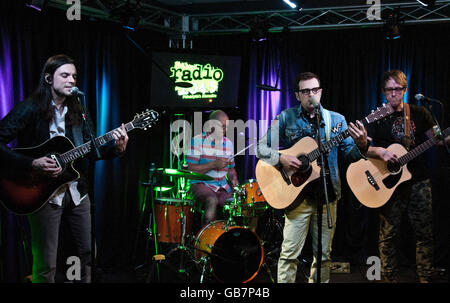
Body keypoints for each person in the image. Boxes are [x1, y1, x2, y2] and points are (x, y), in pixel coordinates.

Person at [0, 54, 128, 282]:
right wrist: (32, 163)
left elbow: (91, 151)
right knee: (46, 262)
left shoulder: (79, 110)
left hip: (77, 191)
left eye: (74, 76)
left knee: (88, 254)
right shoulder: (30, 108)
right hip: (41, 192)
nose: (71, 80)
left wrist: (116, 150)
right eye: (65, 75)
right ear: (49, 78)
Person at [256, 72, 368, 283]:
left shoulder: (336, 120)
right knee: (289, 255)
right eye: (305, 91)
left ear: (321, 92)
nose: (311, 95)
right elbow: (260, 148)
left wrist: (362, 145)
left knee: (324, 257)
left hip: (327, 196)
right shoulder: (286, 117)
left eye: (315, 90)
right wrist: (281, 159)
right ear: (298, 95)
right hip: (297, 197)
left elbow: (350, 155)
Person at [366, 70, 448, 283]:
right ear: (384, 92)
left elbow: (437, 140)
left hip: (418, 180)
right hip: (389, 182)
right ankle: (388, 278)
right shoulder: (377, 116)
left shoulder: (420, 113)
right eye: (388, 90)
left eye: (397, 89)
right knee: (388, 235)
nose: (392, 94)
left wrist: (445, 138)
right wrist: (381, 153)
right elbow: (364, 148)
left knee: (424, 233)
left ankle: (425, 277)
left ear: (404, 90)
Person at [186, 110, 239, 227]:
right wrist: (213, 164)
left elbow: (231, 169)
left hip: (222, 186)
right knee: (212, 200)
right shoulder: (197, 141)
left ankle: (231, 238)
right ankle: (206, 240)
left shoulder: (228, 143)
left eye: (226, 128)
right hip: (201, 184)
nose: (225, 131)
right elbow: (189, 170)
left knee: (239, 203)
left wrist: (234, 180)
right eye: (222, 127)